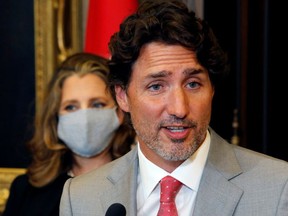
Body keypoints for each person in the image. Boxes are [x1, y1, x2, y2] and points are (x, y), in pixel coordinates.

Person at [60, 1, 288, 216]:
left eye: (193, 84)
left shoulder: (278, 187)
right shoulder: (81, 198)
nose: (179, 109)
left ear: (212, 89)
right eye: (156, 86)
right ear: (122, 97)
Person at [3, 53, 136, 216]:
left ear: (119, 112)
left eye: (97, 104)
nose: (84, 118)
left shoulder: (141, 181)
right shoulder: (26, 191)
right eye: (71, 107)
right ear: (56, 117)